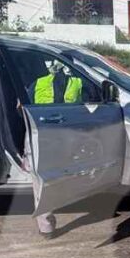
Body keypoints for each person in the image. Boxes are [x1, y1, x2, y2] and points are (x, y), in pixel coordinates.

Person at [25, 60, 83, 238]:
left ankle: (46, 227)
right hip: (66, 137)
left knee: (42, 182)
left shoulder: (37, 83)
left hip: (43, 136)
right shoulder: (80, 82)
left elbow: (21, 109)